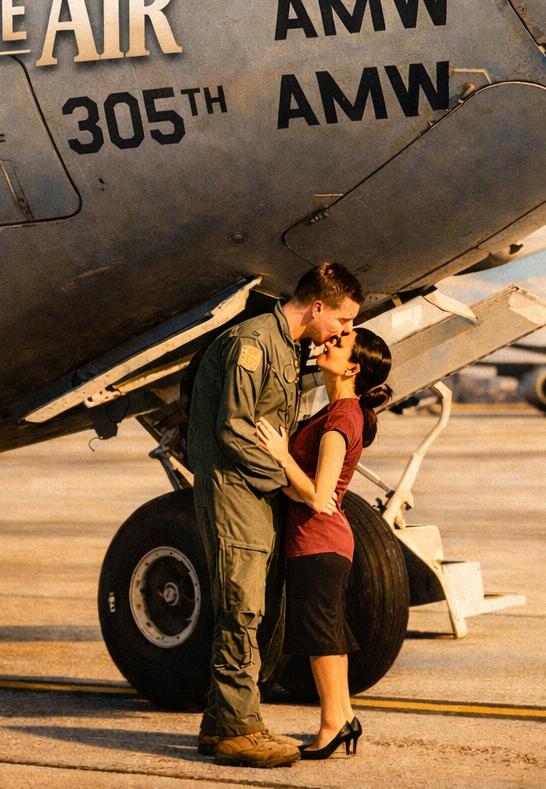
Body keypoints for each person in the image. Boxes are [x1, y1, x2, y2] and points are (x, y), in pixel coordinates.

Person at [187, 263, 364, 768]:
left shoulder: (286, 349)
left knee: (254, 611)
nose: (341, 333)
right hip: (235, 494)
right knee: (241, 610)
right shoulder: (254, 343)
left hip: (258, 498)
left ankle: (225, 723)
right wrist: (292, 482)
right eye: (341, 321)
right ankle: (237, 731)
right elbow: (235, 431)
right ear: (317, 307)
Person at [256, 326, 392, 760]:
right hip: (322, 541)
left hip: (318, 542)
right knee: (327, 633)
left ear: (353, 367)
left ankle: (332, 725)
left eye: (340, 344)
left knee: (321, 637)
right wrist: (291, 484)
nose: (328, 343)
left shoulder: (340, 419)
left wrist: (280, 455)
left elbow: (318, 496)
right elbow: (311, 491)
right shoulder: (336, 412)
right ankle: (344, 717)